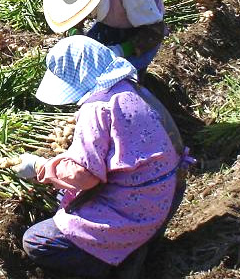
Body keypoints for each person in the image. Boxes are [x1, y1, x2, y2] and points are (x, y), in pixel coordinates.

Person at [10, 35, 193, 278]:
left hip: (136, 212)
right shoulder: (131, 89)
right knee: (64, 197)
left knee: (37, 241)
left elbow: (84, 177)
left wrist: (41, 167)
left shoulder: (97, 109)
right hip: (165, 197)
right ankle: (136, 249)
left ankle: (112, 264)